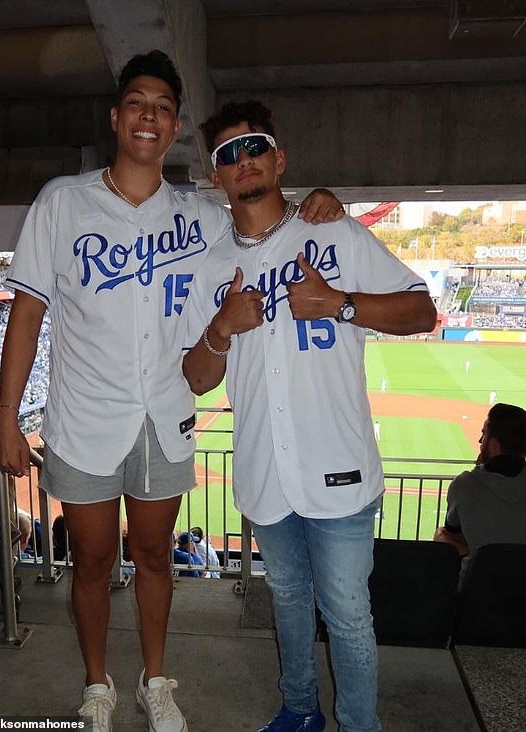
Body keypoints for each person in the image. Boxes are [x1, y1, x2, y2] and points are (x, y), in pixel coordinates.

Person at [0, 51, 343, 732]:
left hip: (164, 412)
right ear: (117, 116)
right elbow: (28, 314)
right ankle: (98, 685)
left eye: (161, 106)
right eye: (137, 103)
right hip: (83, 416)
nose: (148, 116)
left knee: (155, 556)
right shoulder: (62, 201)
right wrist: (7, 417)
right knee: (91, 561)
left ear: (174, 124)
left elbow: (261, 218)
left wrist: (313, 204)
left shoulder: (201, 213)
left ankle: (157, 680)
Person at [183, 100, 437, 732]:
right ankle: (300, 709)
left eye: (254, 147)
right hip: (266, 472)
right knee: (290, 601)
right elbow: (194, 377)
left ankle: (359, 725)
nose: (242, 161)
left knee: (349, 611)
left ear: (279, 159)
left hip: (340, 466)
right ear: (216, 177)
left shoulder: (335, 234)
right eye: (227, 155)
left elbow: (421, 311)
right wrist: (220, 327)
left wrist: (340, 303)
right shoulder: (212, 266)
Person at [434, 403, 526, 576]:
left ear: (494, 446)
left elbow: (454, 536)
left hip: (476, 592)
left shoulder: (464, 485)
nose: (479, 441)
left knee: (442, 535)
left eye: (483, 435)